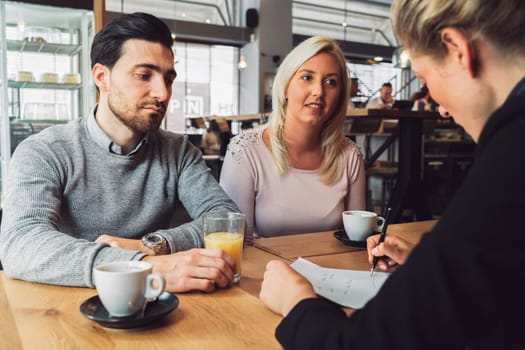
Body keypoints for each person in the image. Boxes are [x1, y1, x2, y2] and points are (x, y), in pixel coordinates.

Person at [259, 0, 525, 348]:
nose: (440, 109)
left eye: (426, 79)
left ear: (457, 50)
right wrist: (434, 269)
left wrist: (295, 300)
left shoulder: (510, 159)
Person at [0, 13, 240, 293]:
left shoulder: (178, 151)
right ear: (102, 77)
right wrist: (143, 266)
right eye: (144, 75)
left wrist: (154, 245)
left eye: (169, 78)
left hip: (160, 306)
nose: (162, 93)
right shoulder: (44, 151)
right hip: (67, 309)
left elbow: (225, 218)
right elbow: (21, 243)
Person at [220, 36, 366, 245]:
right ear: (286, 86)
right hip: (265, 273)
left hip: (331, 271)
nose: (318, 91)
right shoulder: (246, 151)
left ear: (340, 96)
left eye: (331, 82)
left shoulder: (350, 155)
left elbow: (356, 240)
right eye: (307, 78)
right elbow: (238, 244)